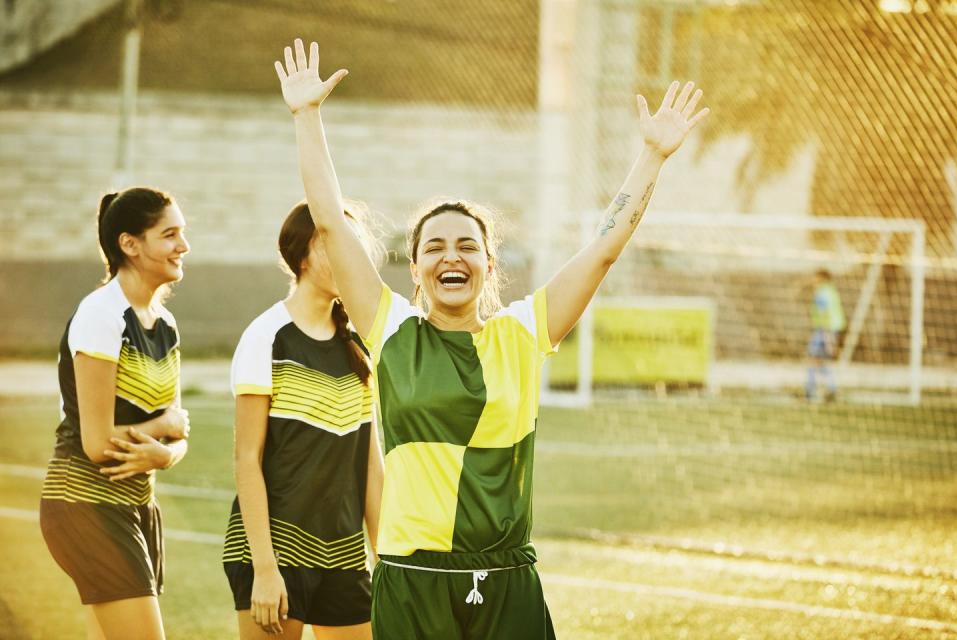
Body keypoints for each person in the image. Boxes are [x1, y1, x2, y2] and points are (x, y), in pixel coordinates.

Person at [274, 38, 708, 639]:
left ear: (489, 262)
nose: (451, 257)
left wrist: (652, 157)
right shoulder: (392, 328)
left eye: (466, 245)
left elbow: (604, 249)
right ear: (416, 268)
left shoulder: (524, 332)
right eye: (434, 247)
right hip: (411, 576)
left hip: (505, 580)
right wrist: (307, 116)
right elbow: (328, 220)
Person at [223, 201, 385, 640]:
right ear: (301, 254)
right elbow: (247, 459)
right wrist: (265, 569)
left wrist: (386, 559)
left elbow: (371, 465)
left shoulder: (362, 347)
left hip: (345, 557)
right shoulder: (266, 336)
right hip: (274, 556)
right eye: (334, 244)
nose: (350, 258)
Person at [39, 187, 192, 640]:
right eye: (170, 234)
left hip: (138, 506)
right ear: (130, 244)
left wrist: (168, 453)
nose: (183, 246)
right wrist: (163, 430)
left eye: (182, 233)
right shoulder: (101, 313)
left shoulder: (165, 323)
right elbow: (98, 443)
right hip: (84, 505)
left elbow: (178, 430)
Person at [806, 268, 846, 402]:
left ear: (821, 279)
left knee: (812, 359)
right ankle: (831, 389)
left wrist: (828, 338)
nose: (812, 280)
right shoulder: (831, 291)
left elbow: (825, 315)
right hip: (831, 329)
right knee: (820, 361)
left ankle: (810, 391)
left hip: (824, 331)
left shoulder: (822, 293)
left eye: (814, 277)